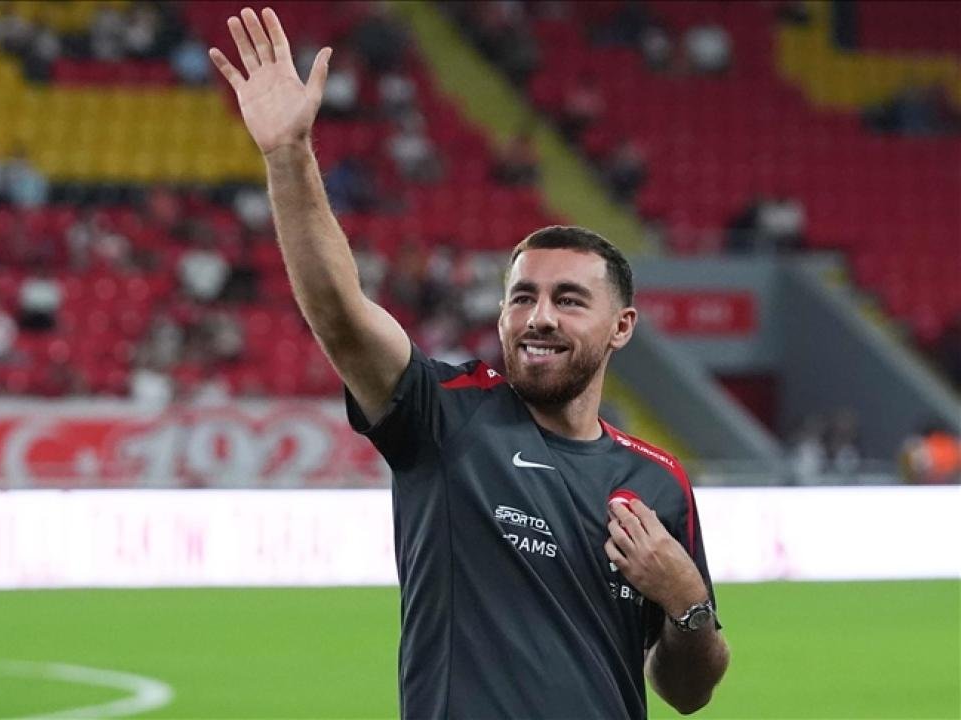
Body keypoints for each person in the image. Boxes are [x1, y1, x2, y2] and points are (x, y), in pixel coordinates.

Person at [208, 9, 729, 717]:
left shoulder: (657, 483)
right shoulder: (445, 418)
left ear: (621, 327)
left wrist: (687, 600)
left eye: (569, 300)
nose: (539, 317)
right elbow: (339, 313)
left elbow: (688, 691)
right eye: (523, 297)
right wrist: (288, 156)